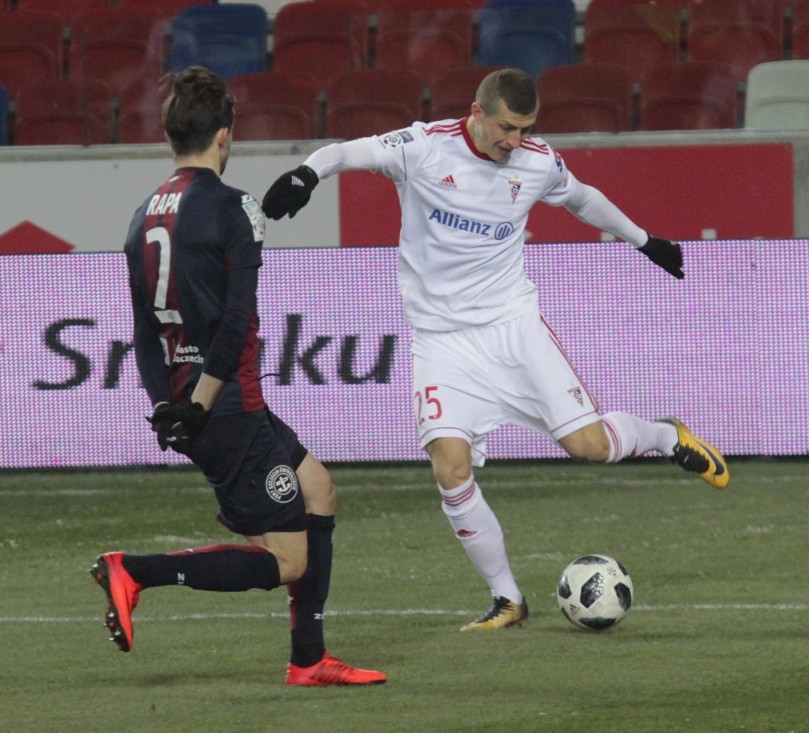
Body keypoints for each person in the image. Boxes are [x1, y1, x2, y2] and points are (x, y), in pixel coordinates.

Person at [261, 67, 730, 632]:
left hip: (513, 328)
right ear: (477, 113)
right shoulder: (423, 147)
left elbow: (583, 199)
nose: (516, 140)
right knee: (450, 468)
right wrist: (305, 176)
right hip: (441, 341)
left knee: (587, 446)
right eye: (508, 127)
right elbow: (344, 152)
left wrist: (644, 240)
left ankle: (665, 434)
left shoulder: (536, 161)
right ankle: (507, 598)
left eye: (526, 128)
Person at [91, 66, 386, 686]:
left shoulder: (141, 215)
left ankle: (309, 659)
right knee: (287, 559)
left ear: (172, 137)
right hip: (226, 406)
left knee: (319, 490)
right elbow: (235, 326)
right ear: (225, 136)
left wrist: (166, 405)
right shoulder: (234, 207)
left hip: (195, 402)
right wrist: (198, 405)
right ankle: (135, 570)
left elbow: (144, 329)